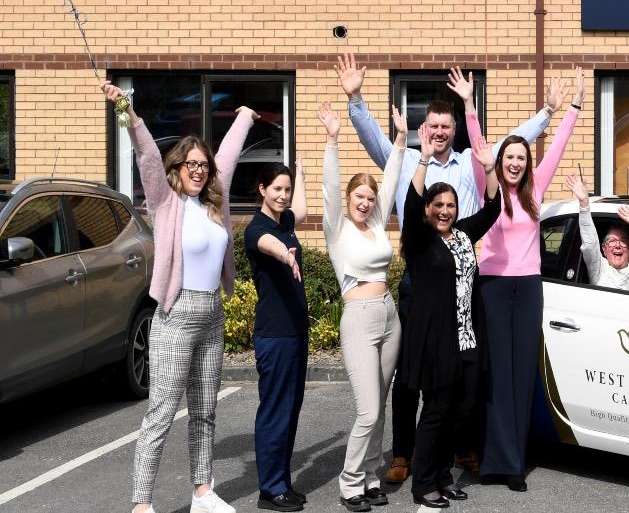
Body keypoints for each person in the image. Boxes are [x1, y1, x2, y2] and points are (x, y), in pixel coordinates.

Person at [339, 53, 557, 482]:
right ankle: (403, 454)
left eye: (445, 127)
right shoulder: (404, 162)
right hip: (418, 285)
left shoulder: (470, 163)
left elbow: (515, 147)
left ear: (453, 130)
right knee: (408, 372)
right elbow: (372, 141)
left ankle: (461, 447)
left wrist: (548, 113)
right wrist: (357, 99)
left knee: (463, 371)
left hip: (462, 284)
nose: (439, 133)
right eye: (433, 127)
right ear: (425, 128)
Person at [104, 81, 253, 513]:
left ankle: (202, 491)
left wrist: (244, 116)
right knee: (162, 412)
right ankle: (141, 503)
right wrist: (127, 109)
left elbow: (227, 157)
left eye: (203, 164)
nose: (199, 170)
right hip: (176, 312)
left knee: (205, 410)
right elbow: (147, 155)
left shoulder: (215, 204)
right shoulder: (166, 202)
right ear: (178, 168)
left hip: (212, 314)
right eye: (191, 164)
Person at [472, 68, 585, 491]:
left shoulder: (535, 191)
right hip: (493, 288)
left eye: (521, 157)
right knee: (495, 373)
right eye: (509, 157)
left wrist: (573, 106)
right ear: (501, 162)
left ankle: (514, 464)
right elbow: (480, 147)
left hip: (529, 288)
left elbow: (557, 145)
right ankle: (491, 462)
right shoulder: (490, 191)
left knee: (522, 375)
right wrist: (469, 105)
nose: (515, 162)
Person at [399, 123, 501, 508]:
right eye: (438, 206)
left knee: (459, 412)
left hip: (466, 338)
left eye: (450, 206)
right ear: (428, 210)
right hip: (436, 341)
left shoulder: (461, 234)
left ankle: (443, 476)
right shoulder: (421, 240)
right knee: (436, 412)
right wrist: (423, 158)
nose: (444, 211)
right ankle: (424, 483)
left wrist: (489, 168)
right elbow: (409, 204)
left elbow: (493, 209)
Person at [319, 100, 405, 512]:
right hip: (358, 319)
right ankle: (350, 482)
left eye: (370, 197)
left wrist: (402, 141)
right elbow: (330, 190)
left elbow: (390, 183)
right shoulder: (336, 229)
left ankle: (371, 476)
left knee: (381, 402)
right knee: (367, 411)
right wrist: (333, 140)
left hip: (389, 314)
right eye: (360, 196)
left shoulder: (374, 224)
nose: (366, 202)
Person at [245, 162, 310, 512]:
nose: (283, 195)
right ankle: (270, 489)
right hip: (276, 335)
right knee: (275, 411)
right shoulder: (257, 228)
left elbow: (301, 209)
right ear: (262, 190)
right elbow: (268, 244)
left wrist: (300, 173)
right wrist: (284, 254)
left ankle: (282, 481)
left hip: (295, 332)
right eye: (277, 189)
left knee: (290, 409)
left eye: (286, 189)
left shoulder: (284, 220)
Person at [564, 173, 629, 294]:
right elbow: (590, 245)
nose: (617, 245)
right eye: (611, 240)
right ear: (603, 249)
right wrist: (584, 205)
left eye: (623, 240)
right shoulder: (599, 269)